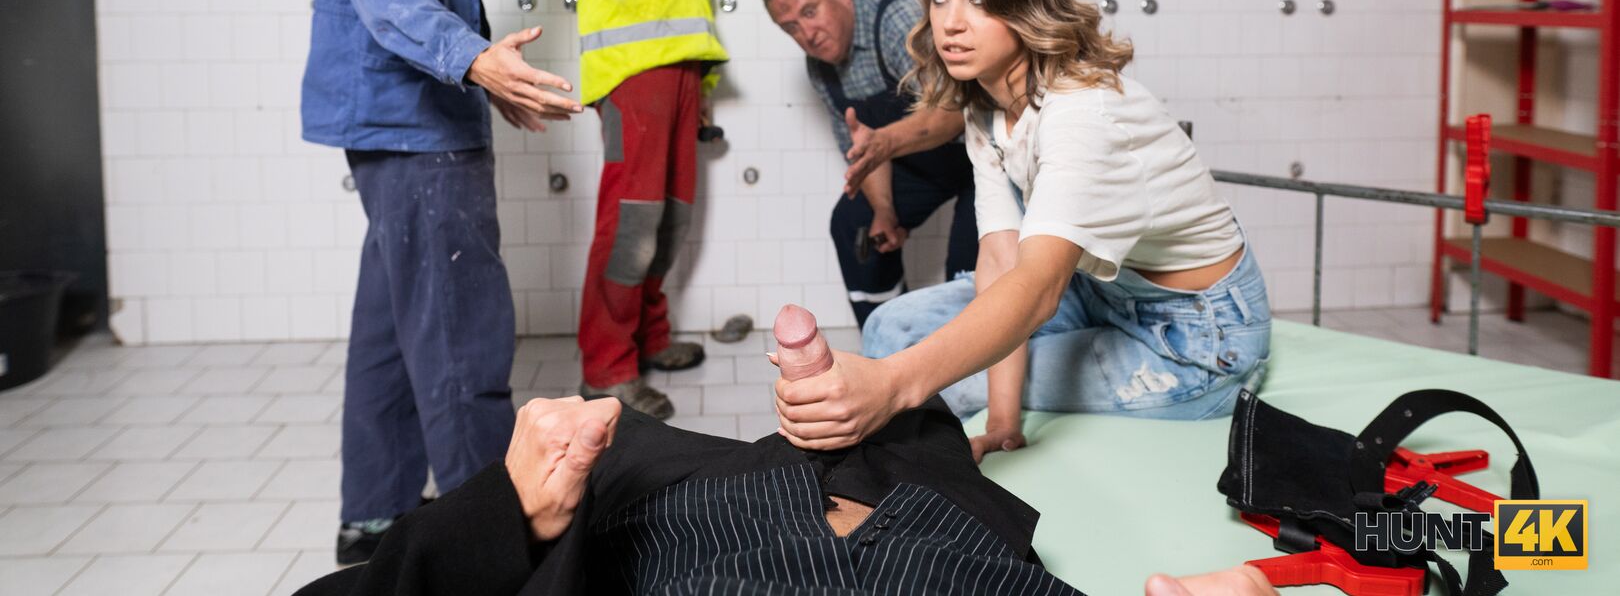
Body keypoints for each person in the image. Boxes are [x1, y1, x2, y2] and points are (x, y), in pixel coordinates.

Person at [774, 0, 1271, 462]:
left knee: (937, 386)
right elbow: (1001, 261)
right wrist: (1003, 424)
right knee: (892, 326)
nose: (950, 23)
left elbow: (1035, 290)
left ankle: (906, 497)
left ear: (1028, 3)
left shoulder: (1083, 115)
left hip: (1195, 337)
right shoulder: (987, 106)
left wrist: (892, 386)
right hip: (1101, 292)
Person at [301, 0, 583, 565]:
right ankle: (487, 544)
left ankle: (376, 520)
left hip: (411, 117)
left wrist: (486, 74)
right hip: (412, 125)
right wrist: (475, 62)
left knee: (392, 329)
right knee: (463, 336)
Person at [295, 394, 1282, 595]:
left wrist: (511, 514)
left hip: (667, 518)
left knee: (900, 416)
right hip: (912, 532)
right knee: (906, 422)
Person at [574, 0, 729, 419]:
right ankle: (607, 370)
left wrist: (705, 87)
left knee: (669, 219)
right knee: (631, 222)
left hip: (681, 68)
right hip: (634, 70)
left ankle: (648, 340)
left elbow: (696, 0)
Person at [761, 0, 978, 325]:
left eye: (810, 12)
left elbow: (953, 111)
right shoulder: (821, 69)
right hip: (922, 161)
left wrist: (885, 142)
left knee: (967, 271)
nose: (807, 34)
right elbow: (864, 150)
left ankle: (966, 354)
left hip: (981, 155)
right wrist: (885, 212)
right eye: (791, 27)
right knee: (855, 223)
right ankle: (891, 343)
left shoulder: (897, 20)